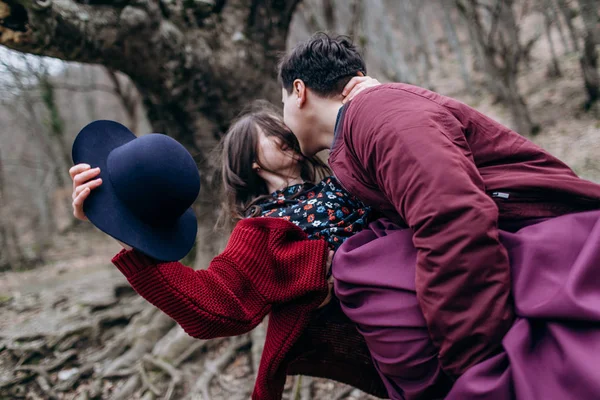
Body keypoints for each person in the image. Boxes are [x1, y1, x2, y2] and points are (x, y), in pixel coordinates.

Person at [278, 32, 600, 384]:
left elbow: (452, 216)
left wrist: (472, 363)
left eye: (281, 102)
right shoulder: (364, 125)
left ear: (299, 90)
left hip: (554, 242)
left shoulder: (378, 112)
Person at [68, 78, 391, 400]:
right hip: (392, 337)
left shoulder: (343, 177)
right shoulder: (259, 230)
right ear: (252, 159)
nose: (285, 133)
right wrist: (121, 229)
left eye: (284, 125)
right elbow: (214, 307)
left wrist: (371, 98)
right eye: (272, 132)